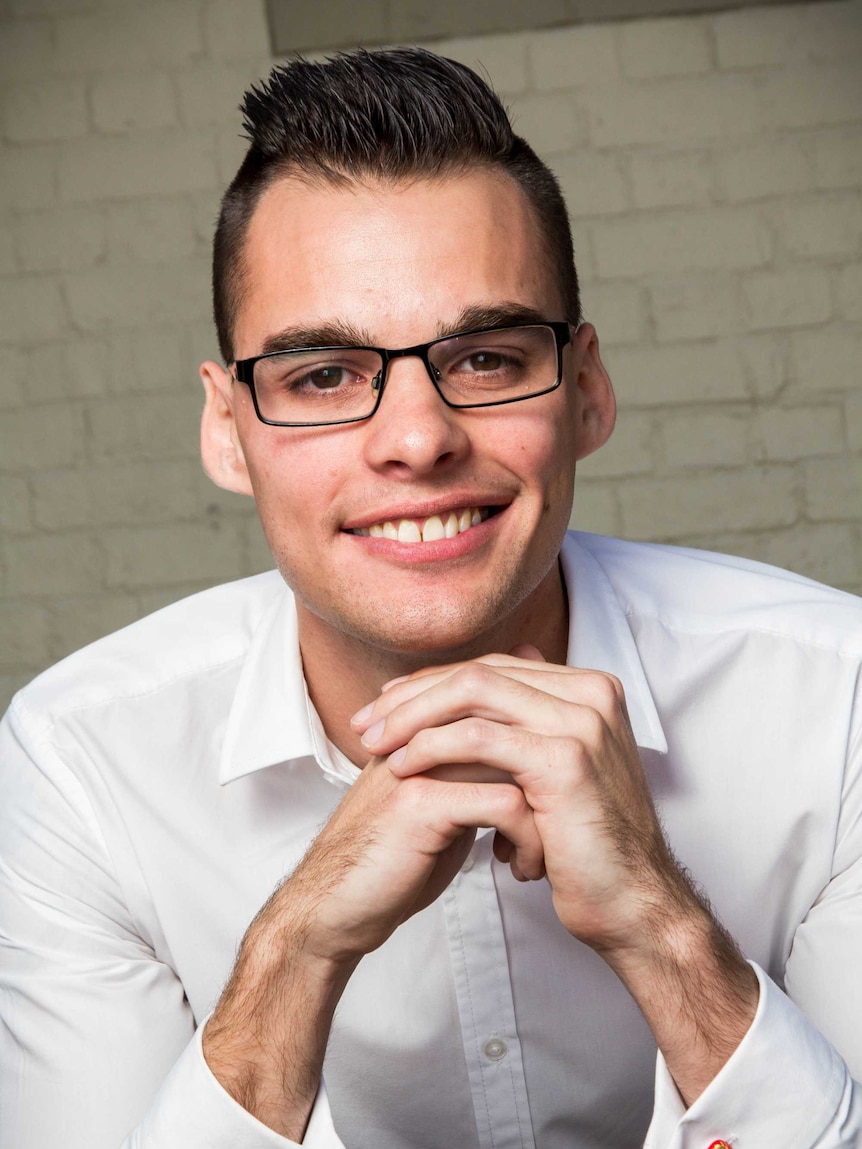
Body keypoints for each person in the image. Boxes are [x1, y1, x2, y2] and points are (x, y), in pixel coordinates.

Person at [1, 46, 860, 1149]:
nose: (416, 439)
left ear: (585, 391)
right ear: (228, 430)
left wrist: (664, 927)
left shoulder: (833, 700)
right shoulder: (83, 765)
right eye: (322, 376)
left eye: (489, 359)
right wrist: (291, 952)